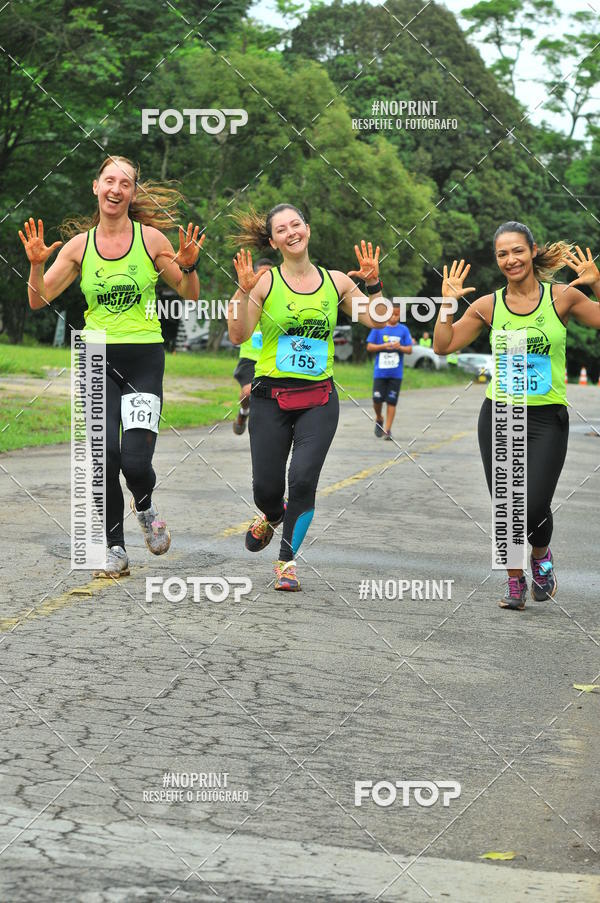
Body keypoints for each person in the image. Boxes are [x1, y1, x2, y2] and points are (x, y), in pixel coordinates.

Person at [19, 155, 204, 578]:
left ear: (132, 192)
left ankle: (146, 507)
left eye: (125, 183)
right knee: (103, 458)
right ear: (96, 187)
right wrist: (34, 264)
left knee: (136, 463)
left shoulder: (153, 240)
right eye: (109, 181)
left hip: (143, 357)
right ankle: (115, 548)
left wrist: (189, 264)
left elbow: (190, 294)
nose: (116, 189)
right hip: (96, 357)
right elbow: (37, 298)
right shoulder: (79, 247)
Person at [433, 223, 600, 610]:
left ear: (532, 251)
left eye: (517, 251)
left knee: (535, 504)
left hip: (546, 418)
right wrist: (447, 304)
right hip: (500, 413)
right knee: (506, 504)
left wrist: (594, 283)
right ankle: (514, 580)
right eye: (503, 254)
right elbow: (443, 346)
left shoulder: (563, 298)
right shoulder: (488, 306)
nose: (511, 260)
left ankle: (540, 554)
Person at [228, 204, 389, 591]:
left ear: (307, 229)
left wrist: (374, 283)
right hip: (269, 397)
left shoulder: (336, 282)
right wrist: (244, 288)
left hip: (318, 398)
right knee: (266, 489)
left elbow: (380, 318)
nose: (291, 232)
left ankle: (286, 562)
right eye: (281, 229)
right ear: (273, 240)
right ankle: (271, 513)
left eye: (296, 224)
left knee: (302, 479)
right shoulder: (265, 283)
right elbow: (238, 333)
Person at [232, 258, 273, 434]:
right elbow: (233, 310)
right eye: (261, 274)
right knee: (249, 392)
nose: (265, 279)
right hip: (250, 357)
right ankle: (244, 412)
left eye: (269, 275)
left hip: (274, 356)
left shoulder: (279, 296)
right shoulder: (246, 295)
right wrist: (243, 289)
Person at [366, 302, 412, 440]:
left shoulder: (403, 330)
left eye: (397, 314)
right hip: (380, 372)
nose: (394, 317)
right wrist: (383, 346)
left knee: (392, 401)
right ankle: (379, 418)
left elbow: (409, 349)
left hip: (396, 373)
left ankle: (388, 430)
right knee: (377, 399)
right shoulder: (378, 328)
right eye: (392, 314)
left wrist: (400, 347)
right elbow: (369, 347)